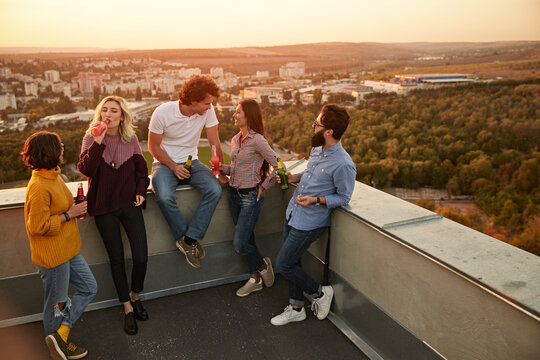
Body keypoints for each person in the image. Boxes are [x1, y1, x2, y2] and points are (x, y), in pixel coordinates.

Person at [270, 104, 356, 326]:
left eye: (316, 124)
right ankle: (296, 307)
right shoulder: (317, 149)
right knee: (293, 261)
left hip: (310, 222)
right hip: (293, 212)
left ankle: (319, 293)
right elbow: (309, 175)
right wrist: (293, 178)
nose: (313, 127)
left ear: (329, 131)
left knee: (284, 264)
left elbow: (344, 198)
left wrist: (315, 200)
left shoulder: (344, 164)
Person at [77, 96, 150, 335]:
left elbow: (142, 172)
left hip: (129, 203)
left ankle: (135, 295)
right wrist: (98, 142)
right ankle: (127, 307)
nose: (108, 114)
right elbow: (86, 170)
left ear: (122, 116)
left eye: (114, 111)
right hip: (103, 207)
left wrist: (141, 191)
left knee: (141, 257)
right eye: (104, 110)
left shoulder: (131, 140)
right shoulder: (90, 138)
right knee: (116, 259)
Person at [22, 131, 97, 360]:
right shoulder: (38, 186)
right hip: (54, 257)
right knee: (56, 305)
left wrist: (71, 208)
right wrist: (69, 214)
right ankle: (56, 347)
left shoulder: (54, 176)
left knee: (89, 287)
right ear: (51, 151)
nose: (63, 148)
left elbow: (57, 208)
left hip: (69, 250)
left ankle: (60, 335)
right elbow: (37, 226)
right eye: (60, 145)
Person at [149, 75, 227, 269]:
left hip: (192, 162)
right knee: (165, 196)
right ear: (193, 101)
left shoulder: (207, 112)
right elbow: (153, 147)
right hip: (165, 163)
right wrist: (174, 167)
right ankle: (185, 239)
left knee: (215, 189)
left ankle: (189, 240)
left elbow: (214, 142)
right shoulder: (163, 112)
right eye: (207, 103)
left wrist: (220, 171)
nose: (210, 107)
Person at [220, 99, 278, 297]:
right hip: (233, 195)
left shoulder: (258, 140)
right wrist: (221, 168)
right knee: (248, 238)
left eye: (238, 112)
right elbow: (236, 169)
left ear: (249, 116)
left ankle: (262, 267)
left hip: (250, 197)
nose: (234, 115)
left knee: (240, 243)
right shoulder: (237, 139)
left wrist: (264, 186)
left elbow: (280, 166)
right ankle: (254, 279)